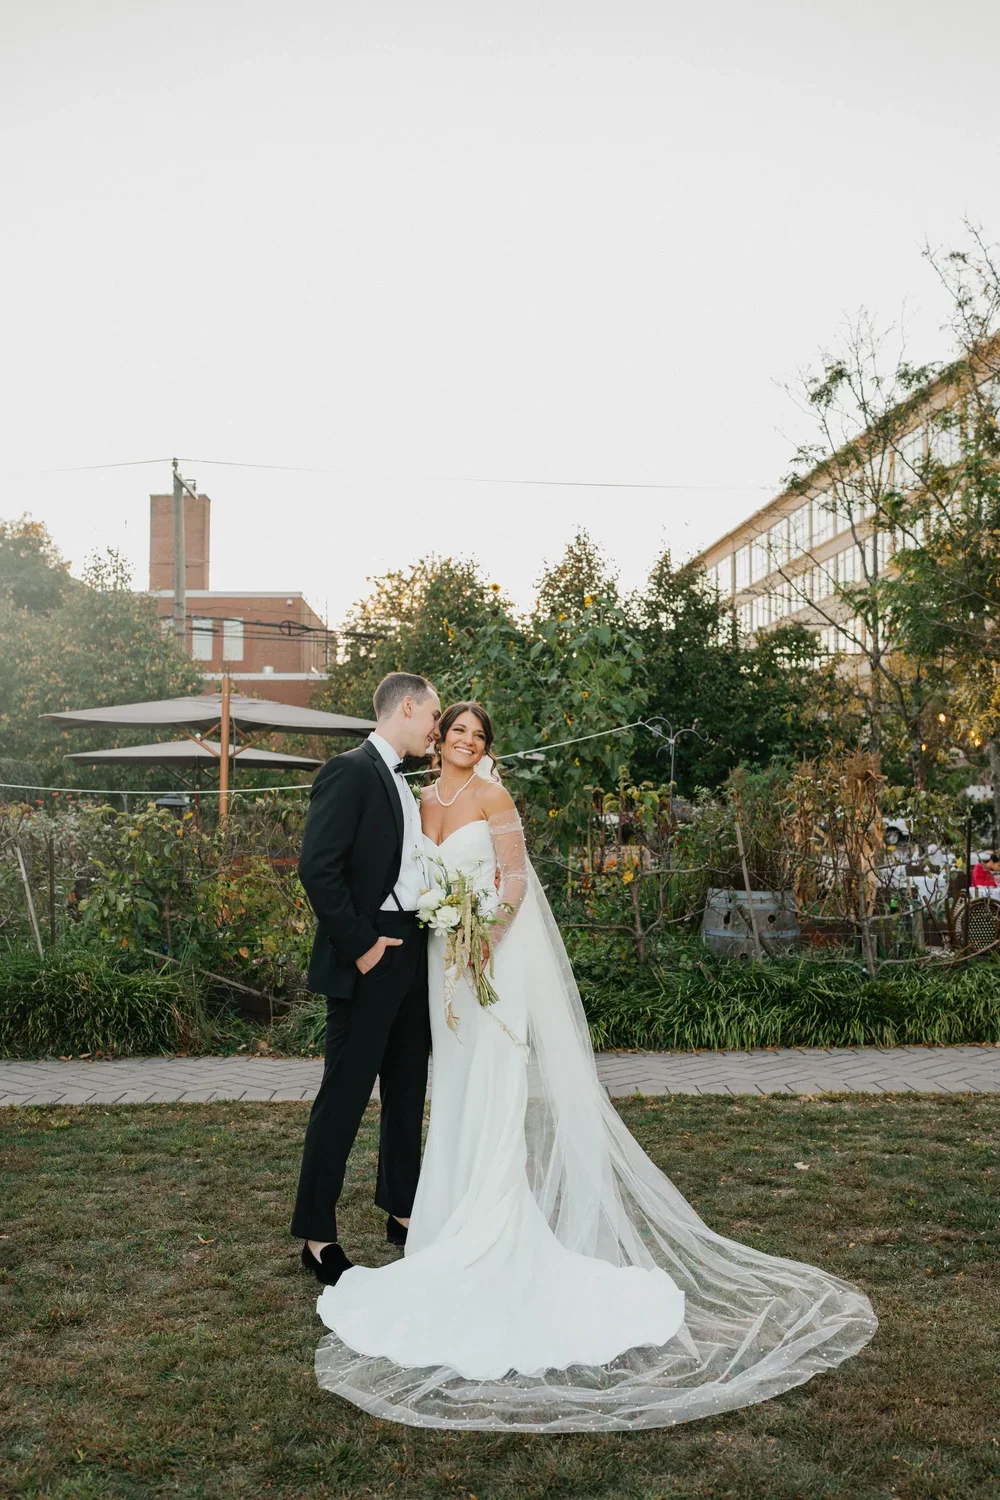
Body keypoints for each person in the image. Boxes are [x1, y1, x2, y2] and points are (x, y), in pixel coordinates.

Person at [307, 700, 878, 1433]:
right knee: (447, 1090)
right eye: (456, 731)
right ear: (438, 734)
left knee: (494, 1084)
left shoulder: (493, 795)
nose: (465, 741)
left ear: (484, 746)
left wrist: (485, 935)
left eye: (478, 735)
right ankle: (439, 1220)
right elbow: (407, 877)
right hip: (436, 966)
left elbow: (513, 879)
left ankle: (494, 1217)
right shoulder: (418, 799)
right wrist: (443, 929)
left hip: (488, 962)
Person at [290, 671, 441, 1284]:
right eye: (433, 716)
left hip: (412, 951)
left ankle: (402, 1214)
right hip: (369, 955)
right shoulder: (351, 770)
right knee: (344, 1098)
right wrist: (361, 947)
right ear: (407, 707)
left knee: (407, 1093)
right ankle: (317, 1236)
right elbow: (316, 868)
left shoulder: (402, 779)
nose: (436, 728)